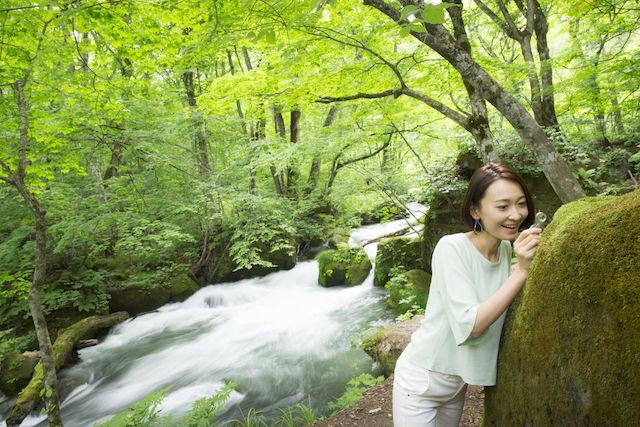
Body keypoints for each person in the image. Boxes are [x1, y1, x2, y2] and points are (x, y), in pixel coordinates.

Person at [392, 163, 542, 427]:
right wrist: (521, 273)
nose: (516, 214)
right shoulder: (452, 248)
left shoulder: (508, 251)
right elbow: (470, 324)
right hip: (421, 382)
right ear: (476, 210)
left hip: (456, 384)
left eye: (521, 204)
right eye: (502, 206)